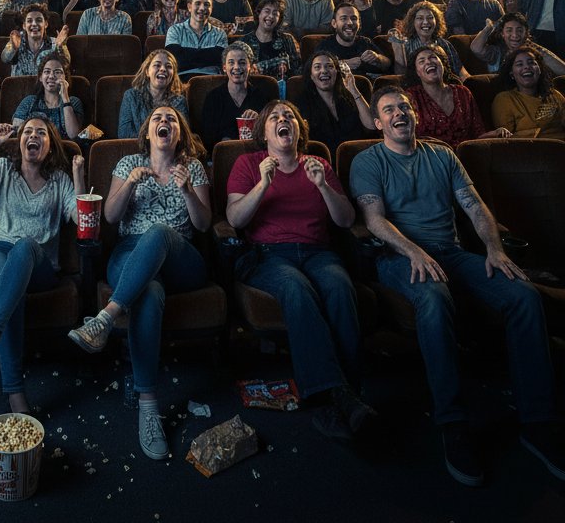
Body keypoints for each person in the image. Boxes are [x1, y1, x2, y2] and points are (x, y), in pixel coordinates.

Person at [350, 86, 563, 486]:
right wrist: (413, 251)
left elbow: (473, 204)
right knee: (433, 298)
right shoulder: (368, 160)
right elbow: (375, 220)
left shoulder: (442, 154)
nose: (399, 114)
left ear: (414, 114)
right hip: (398, 256)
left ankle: (538, 421)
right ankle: (453, 421)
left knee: (523, 294)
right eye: (389, 110)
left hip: (450, 250)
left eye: (404, 108)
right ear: (377, 122)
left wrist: (494, 250)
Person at [67, 105, 211, 460]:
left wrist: (189, 191)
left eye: (172, 120)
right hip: (130, 254)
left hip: (180, 256)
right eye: (158, 119)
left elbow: (205, 225)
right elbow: (111, 218)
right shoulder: (128, 164)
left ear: (180, 134)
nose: (165, 122)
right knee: (150, 292)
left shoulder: (191, 167)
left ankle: (106, 315)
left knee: (160, 232)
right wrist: (129, 185)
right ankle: (149, 406)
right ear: (147, 132)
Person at [226, 100, 374, 440]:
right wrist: (262, 184)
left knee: (339, 286)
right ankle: (331, 396)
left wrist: (323, 186)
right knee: (295, 288)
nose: (283, 120)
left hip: (317, 251)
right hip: (268, 255)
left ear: (298, 129)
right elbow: (235, 219)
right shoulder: (248, 164)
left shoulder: (318, 163)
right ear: (264, 132)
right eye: (275, 117)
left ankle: (350, 393)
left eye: (289, 116)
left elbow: (347, 220)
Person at [0, 119, 85, 413]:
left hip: (36, 263)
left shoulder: (60, 181)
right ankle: (16, 397)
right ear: (19, 141)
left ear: (50, 145)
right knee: (8, 290)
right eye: (28, 131)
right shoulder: (4, 169)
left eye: (41, 132)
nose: (33, 135)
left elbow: (82, 222)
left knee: (25, 245)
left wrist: (79, 175)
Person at [404, 45, 506, 147]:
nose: (428, 62)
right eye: (421, 61)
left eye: (433, 57)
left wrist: (496, 133)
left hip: (466, 156)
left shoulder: (463, 93)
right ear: (417, 72)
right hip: (431, 158)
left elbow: (477, 133)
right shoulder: (411, 97)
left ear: (442, 64)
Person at [293, 53, 373, 161]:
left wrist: (353, 90)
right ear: (311, 75)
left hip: (360, 158)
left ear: (336, 72)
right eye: (317, 67)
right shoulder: (301, 103)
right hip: (322, 163)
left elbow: (371, 126)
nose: (324, 70)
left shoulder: (349, 96)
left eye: (329, 66)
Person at [201, 41, 269, 147]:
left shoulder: (260, 97)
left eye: (242, 63)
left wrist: (259, 120)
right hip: (223, 156)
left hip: (254, 154)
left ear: (250, 66)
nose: (236, 67)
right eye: (231, 62)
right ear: (224, 68)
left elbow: (269, 136)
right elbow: (206, 138)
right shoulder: (213, 98)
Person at [491, 43, 565, 139]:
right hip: (532, 150)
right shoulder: (504, 99)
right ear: (512, 74)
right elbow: (506, 141)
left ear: (540, 70)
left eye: (531, 62)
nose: (527, 67)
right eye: (519, 64)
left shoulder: (554, 95)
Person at [11, 51, 84, 139]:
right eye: (47, 71)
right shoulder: (29, 101)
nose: (51, 76)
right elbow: (17, 132)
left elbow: (73, 135)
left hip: (63, 151)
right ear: (40, 77)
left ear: (65, 77)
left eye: (57, 72)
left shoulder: (73, 102)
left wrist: (65, 98)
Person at [118, 50, 189, 139]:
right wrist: (158, 138)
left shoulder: (180, 101)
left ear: (173, 75)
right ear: (147, 71)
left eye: (169, 66)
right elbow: (124, 134)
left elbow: (182, 135)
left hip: (169, 151)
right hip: (136, 150)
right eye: (157, 65)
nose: (163, 69)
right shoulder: (131, 96)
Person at [469, 9, 565, 75]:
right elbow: (476, 48)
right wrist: (488, 29)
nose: (515, 35)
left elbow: (562, 70)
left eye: (519, 30)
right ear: (502, 34)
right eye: (509, 30)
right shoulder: (497, 53)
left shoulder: (534, 51)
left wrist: (536, 48)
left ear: (526, 33)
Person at [390, 0, 467, 80]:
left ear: (436, 21)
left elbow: (460, 72)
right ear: (413, 22)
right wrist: (398, 49)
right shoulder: (406, 45)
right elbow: (401, 76)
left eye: (430, 18)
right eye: (420, 18)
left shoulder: (444, 44)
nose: (426, 22)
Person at [166, 0, 230, 77]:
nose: (202, 8)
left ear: (211, 8)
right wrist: (209, 55)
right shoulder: (174, 30)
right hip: (181, 80)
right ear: (189, 7)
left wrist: (185, 55)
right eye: (197, 3)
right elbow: (175, 59)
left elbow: (219, 59)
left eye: (207, 4)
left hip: (212, 81)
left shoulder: (220, 34)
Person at [316, 0, 392, 77]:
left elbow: (388, 64)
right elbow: (312, 70)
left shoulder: (365, 42)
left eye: (354, 18)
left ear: (359, 23)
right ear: (334, 23)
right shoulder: (325, 46)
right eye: (343, 18)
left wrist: (377, 58)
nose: (350, 23)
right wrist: (343, 64)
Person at [238, 0, 300, 81]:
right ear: (259, 14)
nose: (270, 16)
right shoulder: (243, 42)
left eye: (275, 13)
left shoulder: (287, 39)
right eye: (267, 11)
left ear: (279, 19)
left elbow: (296, 69)